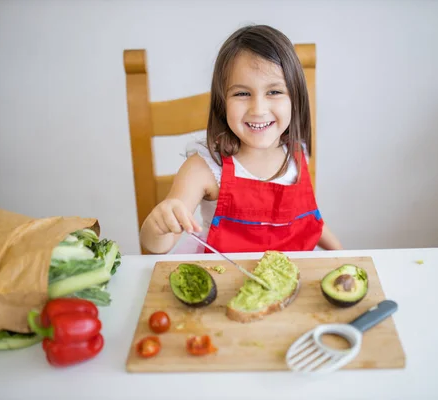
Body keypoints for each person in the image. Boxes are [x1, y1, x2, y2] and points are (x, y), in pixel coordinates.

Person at [140, 24, 343, 254]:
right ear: (222, 102)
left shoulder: (298, 155)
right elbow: (157, 244)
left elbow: (309, 220)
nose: (258, 109)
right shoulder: (203, 169)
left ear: (295, 98)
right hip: (226, 282)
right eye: (242, 94)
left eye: (274, 92)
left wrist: (341, 253)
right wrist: (158, 225)